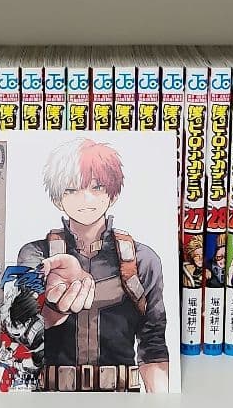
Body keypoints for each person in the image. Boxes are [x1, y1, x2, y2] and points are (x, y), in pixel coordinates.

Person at [11, 138, 169, 392]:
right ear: (58, 198)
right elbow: (20, 331)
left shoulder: (142, 259)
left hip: (122, 394)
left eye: (97, 187)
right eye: (71, 189)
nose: (85, 199)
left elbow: (153, 344)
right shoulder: (36, 254)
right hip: (52, 394)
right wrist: (53, 306)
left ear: (112, 193)